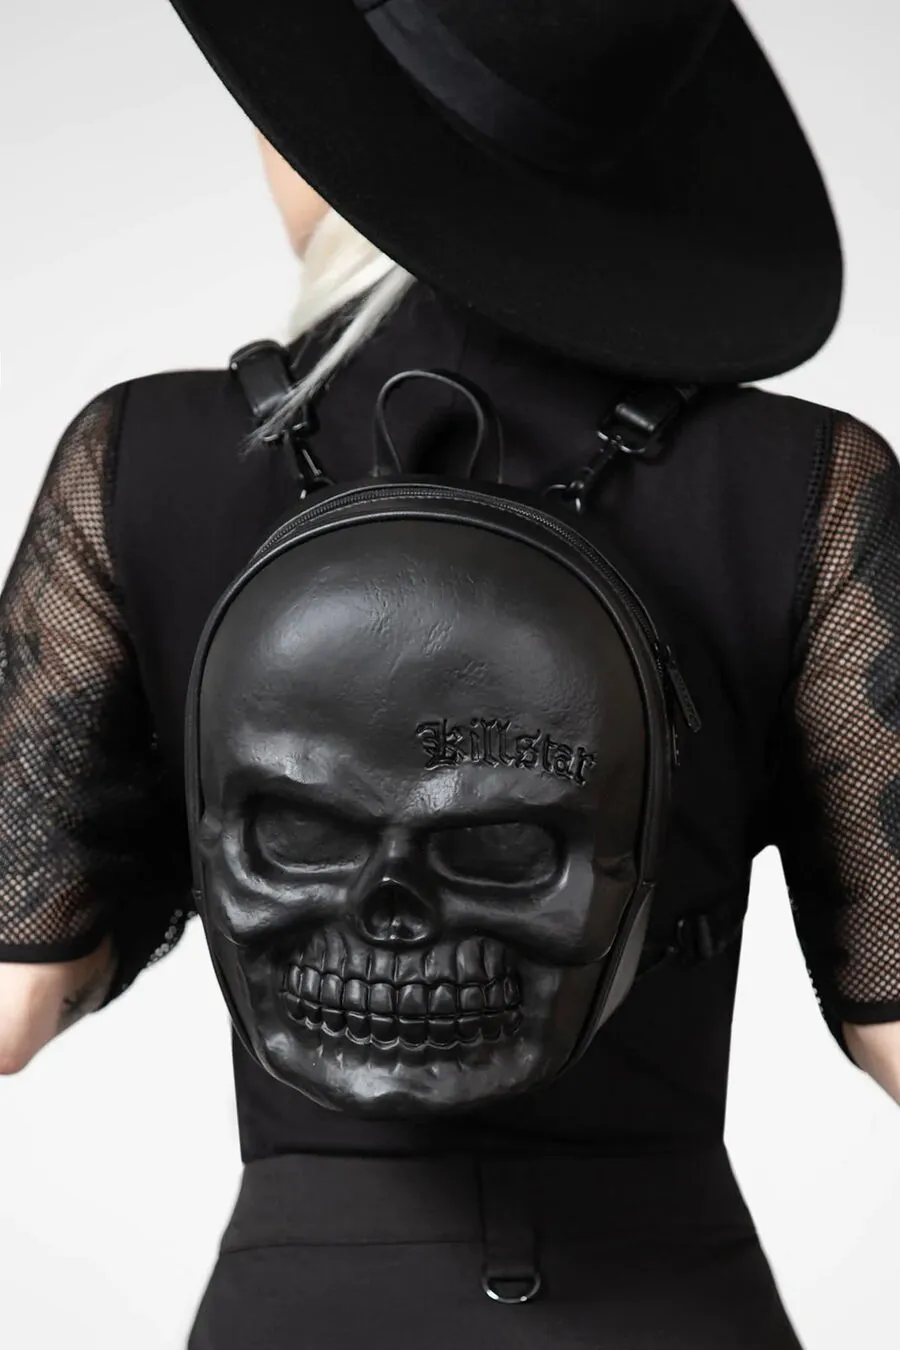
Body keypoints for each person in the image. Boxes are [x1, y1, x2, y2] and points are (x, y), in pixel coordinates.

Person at [1, 0, 899, 1345]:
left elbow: (14, 999)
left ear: (328, 145)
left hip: (300, 1309)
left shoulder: (142, 458)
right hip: (670, 1302)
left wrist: (169, 871)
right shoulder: (806, 483)